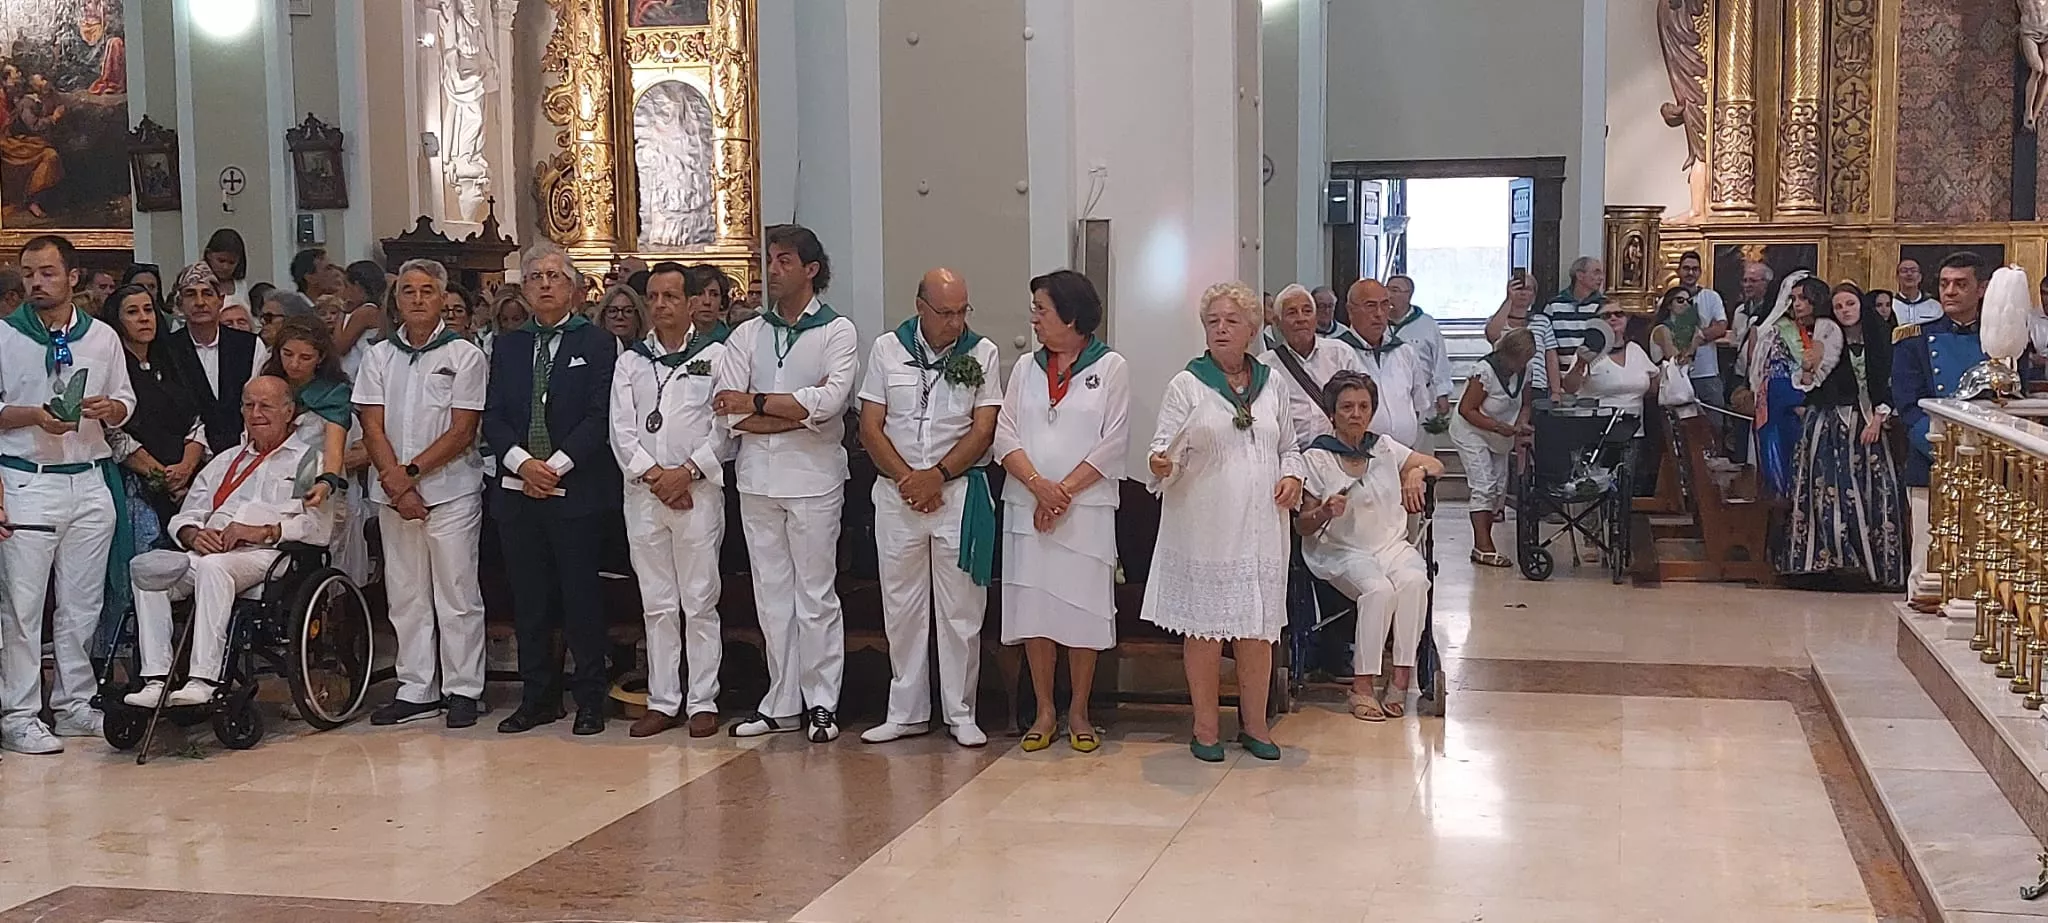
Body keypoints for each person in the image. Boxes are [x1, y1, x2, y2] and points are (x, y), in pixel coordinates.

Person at [711, 224, 861, 743]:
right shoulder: (747, 334)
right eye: (770, 259)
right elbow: (727, 410)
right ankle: (781, 700)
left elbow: (831, 403)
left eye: (784, 261)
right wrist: (791, 410)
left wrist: (756, 403)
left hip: (814, 479)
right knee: (771, 593)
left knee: (816, 594)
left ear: (810, 269)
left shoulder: (836, 332)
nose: (773, 269)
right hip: (758, 479)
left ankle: (823, 700)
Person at [1142, 281, 1302, 762]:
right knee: (1207, 632)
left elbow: (1290, 448)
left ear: (1253, 329)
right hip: (1206, 526)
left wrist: (1293, 477)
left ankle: (1255, 727)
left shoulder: (1272, 384)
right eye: (1213, 321)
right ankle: (1206, 728)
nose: (1221, 329)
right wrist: (1160, 464)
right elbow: (1160, 448)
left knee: (1257, 631)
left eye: (1232, 321)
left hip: (1262, 528)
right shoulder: (1186, 385)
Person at [855, 268, 1003, 749]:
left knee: (961, 609)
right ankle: (907, 711)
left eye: (963, 311)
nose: (955, 323)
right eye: (945, 313)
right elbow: (871, 426)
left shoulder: (983, 353)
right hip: (897, 496)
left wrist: (936, 477)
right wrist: (908, 480)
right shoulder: (886, 349)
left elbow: (983, 430)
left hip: (955, 494)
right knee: (902, 607)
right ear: (920, 307)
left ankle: (961, 712)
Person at [120, 377, 332, 710]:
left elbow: (316, 526)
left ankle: (203, 679)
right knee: (150, 570)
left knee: (213, 567)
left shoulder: (307, 461)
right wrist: (192, 534)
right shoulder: (225, 460)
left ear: (289, 411)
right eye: (249, 405)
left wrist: (262, 531)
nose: (256, 413)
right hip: (210, 551)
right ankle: (156, 678)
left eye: (266, 406)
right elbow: (187, 514)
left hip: (267, 556)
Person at [0, 235, 136, 753]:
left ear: (72, 277)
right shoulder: (6, 337)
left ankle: (74, 703)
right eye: (29, 273)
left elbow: (127, 400)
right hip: (28, 478)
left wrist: (111, 410)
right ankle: (19, 712)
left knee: (82, 604)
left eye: (47, 272)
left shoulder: (101, 337)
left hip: (88, 476)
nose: (36, 282)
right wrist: (32, 414)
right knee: (24, 605)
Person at [483, 242, 622, 737]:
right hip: (519, 491)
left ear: (574, 288)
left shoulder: (598, 343)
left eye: (554, 276)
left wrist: (556, 467)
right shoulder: (510, 345)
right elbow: (494, 416)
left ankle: (589, 699)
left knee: (581, 598)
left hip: (577, 489)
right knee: (530, 599)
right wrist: (523, 466)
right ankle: (537, 696)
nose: (544, 284)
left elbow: (599, 416)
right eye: (535, 276)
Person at [994, 269, 1129, 753]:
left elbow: (1114, 441)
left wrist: (1063, 493)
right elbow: (1004, 433)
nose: (1033, 319)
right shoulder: (1026, 369)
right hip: (1028, 506)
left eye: (1041, 310)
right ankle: (1045, 708)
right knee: (1036, 605)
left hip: (1084, 509)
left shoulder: (1110, 367)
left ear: (1071, 316)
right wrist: (1038, 486)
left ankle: (1079, 710)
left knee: (1082, 607)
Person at [355, 259, 490, 729]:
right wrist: (394, 480)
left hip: (450, 491)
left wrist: (409, 474)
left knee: (456, 590)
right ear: (396, 300)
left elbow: (463, 430)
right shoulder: (378, 355)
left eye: (426, 291)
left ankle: (463, 687)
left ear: (442, 299)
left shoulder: (464, 355)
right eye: (408, 291)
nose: (416, 299)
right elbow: (370, 422)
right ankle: (416, 687)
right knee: (406, 591)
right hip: (393, 492)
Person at [611, 263, 733, 739]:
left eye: (670, 297)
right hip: (644, 495)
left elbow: (724, 428)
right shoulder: (631, 360)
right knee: (657, 602)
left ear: (691, 303)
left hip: (697, 492)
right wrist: (657, 477)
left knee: (700, 598)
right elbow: (620, 430)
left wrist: (686, 474)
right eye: (654, 297)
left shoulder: (717, 356)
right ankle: (663, 699)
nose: (660, 305)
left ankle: (703, 698)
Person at [1294, 372, 1443, 722]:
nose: (1356, 414)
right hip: (1340, 549)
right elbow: (1302, 524)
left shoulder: (1385, 447)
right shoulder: (1315, 458)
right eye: (1346, 407)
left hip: (1390, 545)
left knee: (1414, 582)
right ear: (1332, 413)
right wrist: (1323, 511)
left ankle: (1401, 679)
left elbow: (1435, 463)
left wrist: (1415, 473)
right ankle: (1362, 687)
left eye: (1363, 406)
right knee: (1378, 591)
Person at [1894, 251, 2022, 592]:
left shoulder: (2003, 343)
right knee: (1927, 556)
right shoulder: (1914, 341)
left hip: (1991, 466)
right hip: (1934, 462)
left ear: (1981, 289)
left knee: (1989, 555)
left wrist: (1985, 455)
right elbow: (1908, 408)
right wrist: (1946, 453)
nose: (1950, 291)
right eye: (1945, 284)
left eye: (1960, 284)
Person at [1779, 282, 1905, 587]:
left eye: (1850, 304)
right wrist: (1809, 370)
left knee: (1874, 489)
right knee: (1824, 491)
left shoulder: (1879, 338)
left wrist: (1877, 419)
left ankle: (1872, 567)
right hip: (1828, 422)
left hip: (1868, 423)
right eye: (1838, 306)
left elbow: (1887, 382)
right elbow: (1812, 382)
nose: (1845, 311)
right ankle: (1827, 563)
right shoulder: (1827, 339)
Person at [105, 283, 204, 544]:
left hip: (187, 478)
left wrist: (186, 468)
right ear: (118, 320)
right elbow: (112, 433)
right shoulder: (112, 367)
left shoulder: (173, 360)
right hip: (136, 484)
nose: (144, 318)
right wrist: (162, 476)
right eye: (133, 312)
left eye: (148, 310)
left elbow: (198, 417)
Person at [1746, 273, 1839, 499]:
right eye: (1794, 298)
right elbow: (1769, 374)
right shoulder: (1777, 331)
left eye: (1803, 299)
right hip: (1783, 405)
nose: (1797, 304)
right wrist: (1798, 401)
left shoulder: (1827, 328)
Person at [1452, 328, 1535, 567]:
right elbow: (1466, 410)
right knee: (1483, 485)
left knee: (1499, 489)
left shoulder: (1525, 371)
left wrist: (1520, 424)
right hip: (1472, 431)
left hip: (1500, 434)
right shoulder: (1485, 371)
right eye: (1521, 360)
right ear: (1508, 355)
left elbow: (1526, 404)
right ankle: (1483, 546)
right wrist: (1499, 426)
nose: (1524, 365)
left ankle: (1483, 542)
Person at [167, 263, 269, 454]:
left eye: (207, 293)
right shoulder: (167, 350)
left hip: (245, 453)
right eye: (190, 294)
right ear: (180, 304)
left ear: (220, 300)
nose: (200, 302)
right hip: (185, 458)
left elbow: (259, 403)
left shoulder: (250, 345)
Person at [1259, 283, 1365, 450]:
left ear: (1315, 319)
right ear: (1277, 323)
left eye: (1307, 311)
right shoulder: (1265, 366)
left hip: (1339, 455)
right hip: (1292, 458)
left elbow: (1364, 400)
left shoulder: (1340, 353)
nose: (1301, 318)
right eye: (1292, 313)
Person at [1337, 279, 1432, 447]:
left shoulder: (1404, 351)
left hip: (1403, 454)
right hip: (1357, 455)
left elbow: (1419, 403)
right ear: (1350, 311)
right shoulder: (1336, 352)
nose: (1379, 314)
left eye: (1385, 305)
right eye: (1370, 306)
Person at [1529, 257, 1607, 400]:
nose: (1601, 278)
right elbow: (1547, 345)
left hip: (1593, 383)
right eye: (1596, 272)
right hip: (1561, 384)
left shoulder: (1604, 307)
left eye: (1601, 273)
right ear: (1580, 275)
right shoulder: (1554, 305)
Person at [1670, 252, 1732, 426]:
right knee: (1681, 427)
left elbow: (1720, 328)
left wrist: (1695, 337)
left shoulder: (1711, 297)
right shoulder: (1669, 299)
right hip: (1678, 374)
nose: (1690, 273)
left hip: (1707, 372)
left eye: (1695, 269)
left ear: (1700, 272)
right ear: (1678, 271)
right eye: (1686, 268)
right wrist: (1702, 334)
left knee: (1714, 424)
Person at [1385, 274, 1454, 430]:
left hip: (1422, 393)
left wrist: (1442, 393)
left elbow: (1440, 359)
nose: (1389, 295)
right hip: (1388, 394)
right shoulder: (1378, 323)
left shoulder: (1427, 324)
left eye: (1395, 290)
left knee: (1422, 447)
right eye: (1387, 289)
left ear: (1408, 295)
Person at [1483, 269, 1537, 346]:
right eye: (1518, 288)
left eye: (1528, 289)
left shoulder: (1542, 321)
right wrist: (1509, 299)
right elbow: (1492, 336)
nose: (1523, 293)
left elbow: (1551, 355)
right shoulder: (1497, 320)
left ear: (1534, 296)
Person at [202, 228, 250, 310]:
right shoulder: (199, 283)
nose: (225, 267)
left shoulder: (241, 286)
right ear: (209, 255)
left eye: (232, 262)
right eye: (221, 261)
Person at [1893, 257, 1941, 327]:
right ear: (1897, 278)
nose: (1909, 274)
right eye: (1904, 271)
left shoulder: (1935, 306)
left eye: (1913, 270)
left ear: (1920, 277)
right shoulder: (1892, 305)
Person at [598, 284, 647, 350]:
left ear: (638, 316)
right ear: (603, 316)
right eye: (612, 311)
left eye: (628, 311)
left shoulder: (649, 352)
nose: (620, 317)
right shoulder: (591, 352)